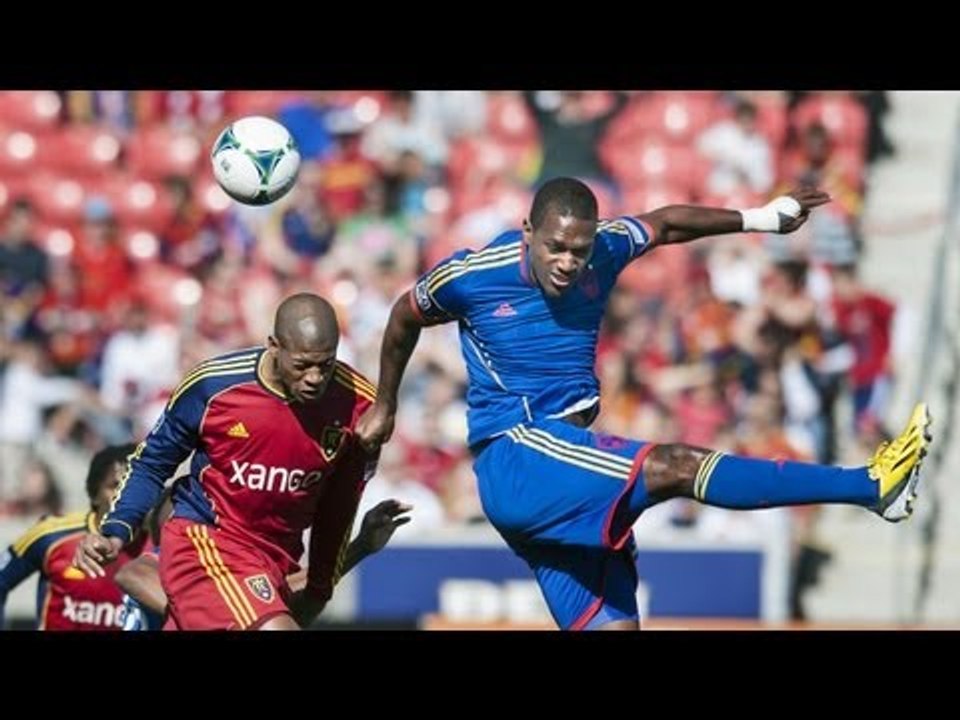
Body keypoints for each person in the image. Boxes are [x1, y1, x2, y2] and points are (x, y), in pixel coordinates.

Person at [356, 176, 933, 631]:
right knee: (673, 466)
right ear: (527, 230)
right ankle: (867, 484)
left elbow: (665, 224)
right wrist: (386, 405)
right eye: (554, 247)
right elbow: (406, 314)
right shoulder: (473, 273)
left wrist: (762, 218)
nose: (567, 261)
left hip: (564, 466)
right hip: (518, 453)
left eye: (578, 250)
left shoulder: (604, 248)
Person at [75, 293, 391, 630]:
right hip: (205, 543)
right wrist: (115, 531)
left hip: (274, 563)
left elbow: (339, 505)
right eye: (302, 365)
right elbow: (152, 463)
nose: (314, 377)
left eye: (325, 364)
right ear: (274, 346)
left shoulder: (359, 405)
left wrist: (320, 587)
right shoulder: (213, 387)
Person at [115, 493, 411, 630]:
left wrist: (360, 547)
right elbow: (130, 575)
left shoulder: (227, 580)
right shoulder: (153, 563)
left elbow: (288, 588)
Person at [0, 444, 144, 630]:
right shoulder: (51, 534)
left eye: (132, 487)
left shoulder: (164, 544)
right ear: (94, 494)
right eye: (115, 486)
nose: (124, 496)